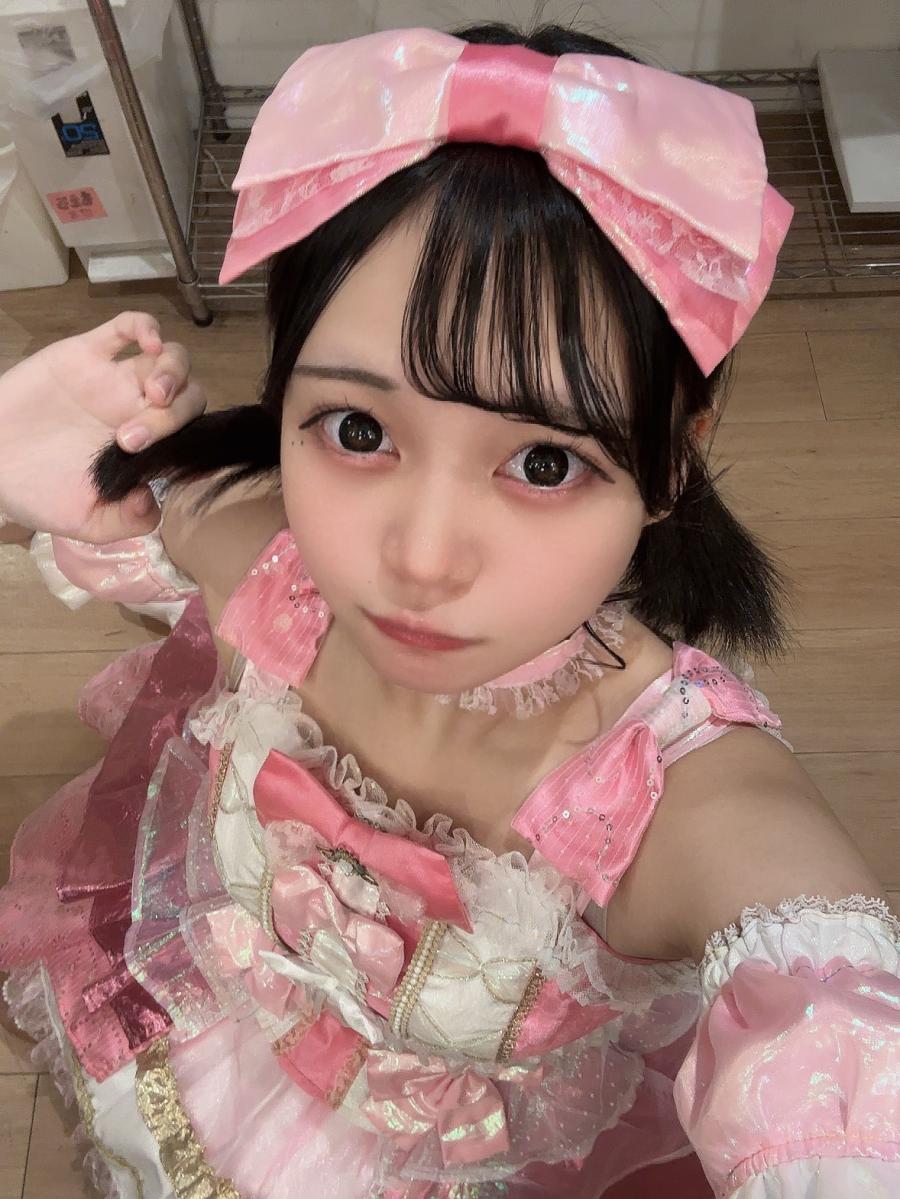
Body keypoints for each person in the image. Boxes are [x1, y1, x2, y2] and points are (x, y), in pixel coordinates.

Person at [0, 21, 897, 1199]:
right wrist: (60, 457)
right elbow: (148, 502)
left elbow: (832, 1038)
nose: (418, 560)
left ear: (674, 460)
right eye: (359, 429)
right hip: (239, 1039)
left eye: (543, 463)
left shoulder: (676, 803)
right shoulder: (264, 553)